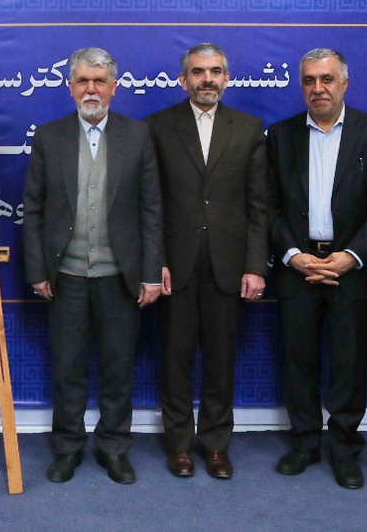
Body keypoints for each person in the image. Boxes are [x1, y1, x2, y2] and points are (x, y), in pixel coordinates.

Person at [23, 47, 164, 485]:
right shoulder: (49, 136)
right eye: (82, 81)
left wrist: (150, 273)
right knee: (67, 369)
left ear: (113, 87)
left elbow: (151, 209)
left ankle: (114, 448)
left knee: (118, 369)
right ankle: (68, 448)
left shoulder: (137, 135)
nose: (91, 89)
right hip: (65, 276)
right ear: (70, 88)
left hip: (119, 276)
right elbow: (33, 209)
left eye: (99, 81)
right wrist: (37, 270)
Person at [267, 48, 367, 489]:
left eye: (326, 79)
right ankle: (304, 442)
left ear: (344, 83)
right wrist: (293, 255)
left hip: (353, 269)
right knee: (298, 360)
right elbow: (267, 205)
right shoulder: (280, 135)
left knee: (349, 363)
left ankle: (344, 447)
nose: (317, 88)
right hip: (298, 268)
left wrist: (351, 256)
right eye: (308, 80)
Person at [145, 42, 267, 480]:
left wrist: (255, 265)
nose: (207, 79)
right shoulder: (157, 127)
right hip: (174, 268)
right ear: (184, 80)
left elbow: (259, 205)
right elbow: (150, 202)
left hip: (228, 267)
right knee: (175, 360)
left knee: (220, 361)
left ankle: (215, 445)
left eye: (215, 71)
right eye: (198, 72)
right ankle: (179, 445)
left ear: (226, 78)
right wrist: (154, 261)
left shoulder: (249, 127)